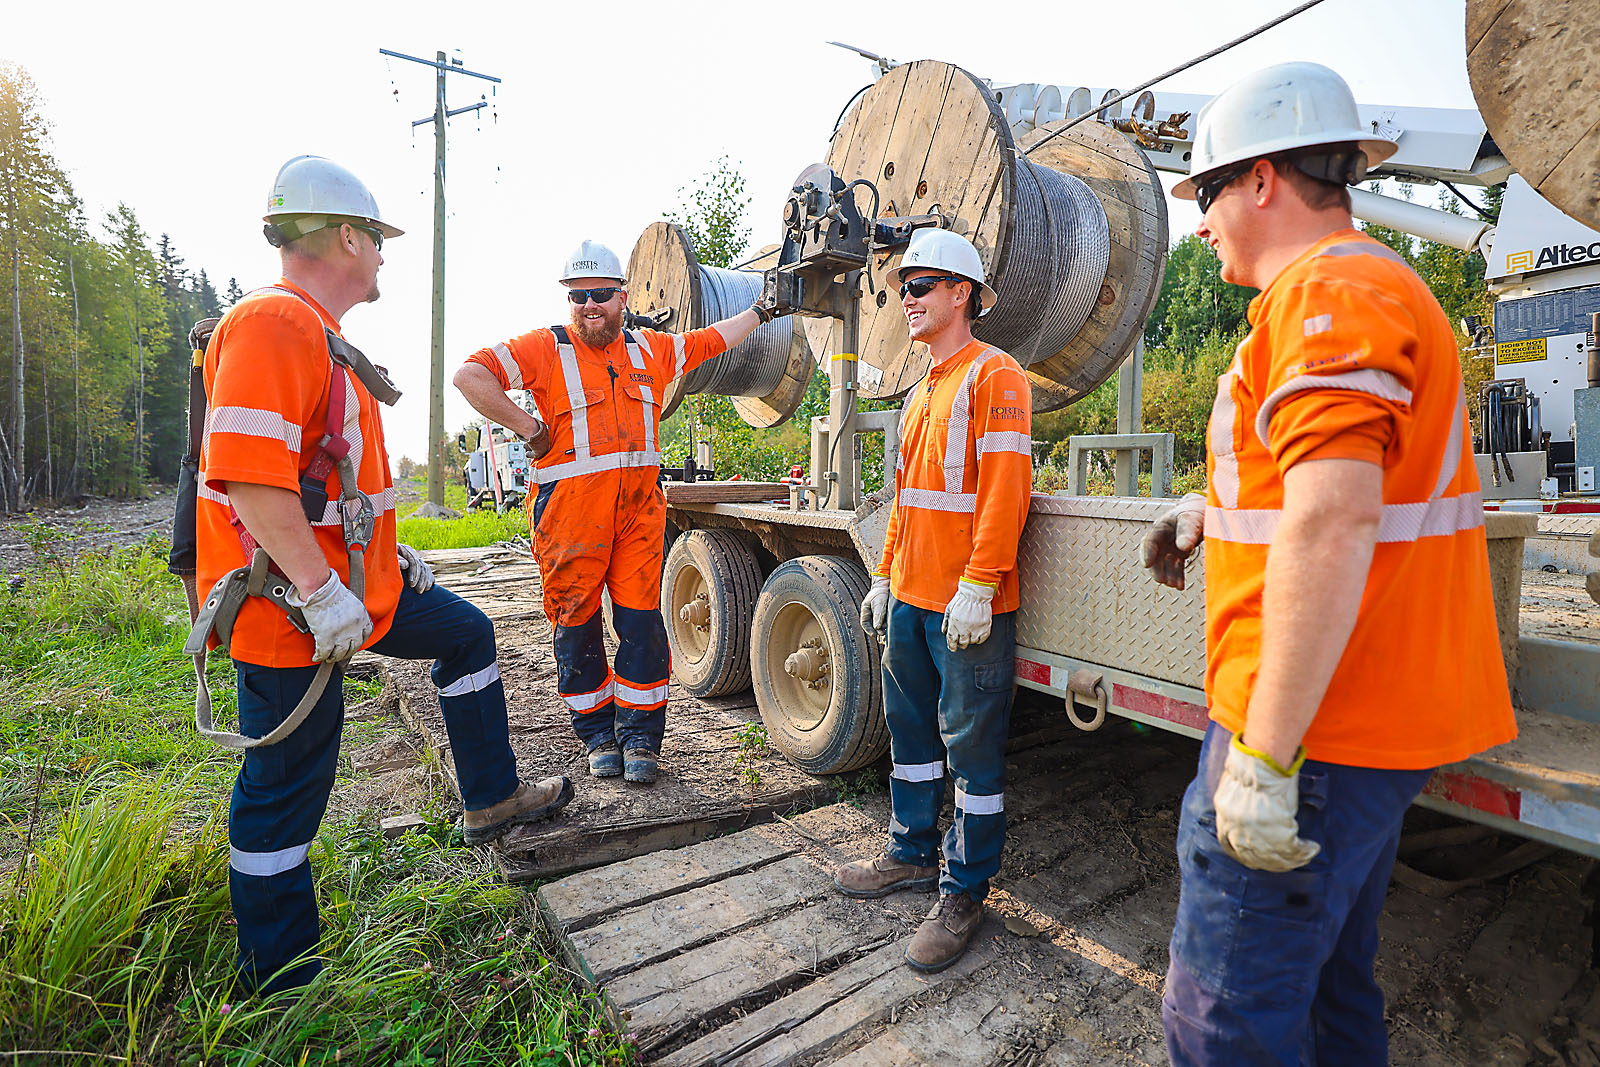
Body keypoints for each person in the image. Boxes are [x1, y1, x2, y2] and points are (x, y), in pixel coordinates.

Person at [1141, 62, 1517, 1064]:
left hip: (1311, 731)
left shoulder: (1330, 288)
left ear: (1261, 179)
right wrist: (1213, 510)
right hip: (1354, 724)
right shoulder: (1347, 289)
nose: (1200, 219)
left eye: (1207, 191)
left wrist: (1262, 757)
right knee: (1327, 991)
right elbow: (1329, 491)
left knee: (1226, 1020)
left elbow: (1333, 523)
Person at [197, 155, 572, 995]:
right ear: (345, 236)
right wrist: (324, 589)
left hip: (345, 592)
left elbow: (325, 480)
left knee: (468, 637)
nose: (383, 256)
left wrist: (380, 553)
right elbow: (252, 479)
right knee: (287, 786)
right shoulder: (272, 322)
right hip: (291, 608)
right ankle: (282, 981)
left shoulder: (321, 337)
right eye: (377, 239)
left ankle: (491, 797)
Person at [454, 241, 778, 784]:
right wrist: (527, 427)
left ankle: (641, 740)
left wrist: (762, 310)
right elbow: (470, 375)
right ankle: (598, 736)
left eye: (600, 295)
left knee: (642, 627)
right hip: (570, 522)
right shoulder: (541, 349)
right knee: (576, 628)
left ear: (622, 297)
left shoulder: (650, 350)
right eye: (577, 297)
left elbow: (708, 342)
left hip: (638, 517)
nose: (588, 306)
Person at [833, 228, 1033, 973]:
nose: (906, 299)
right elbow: (909, 503)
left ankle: (965, 891)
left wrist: (981, 586)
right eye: (903, 287)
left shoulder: (996, 376)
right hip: (914, 604)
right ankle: (911, 852)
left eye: (921, 285)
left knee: (972, 757)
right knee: (912, 742)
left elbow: (1005, 491)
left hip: (965, 611)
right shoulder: (926, 388)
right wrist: (885, 575)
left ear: (963, 294)